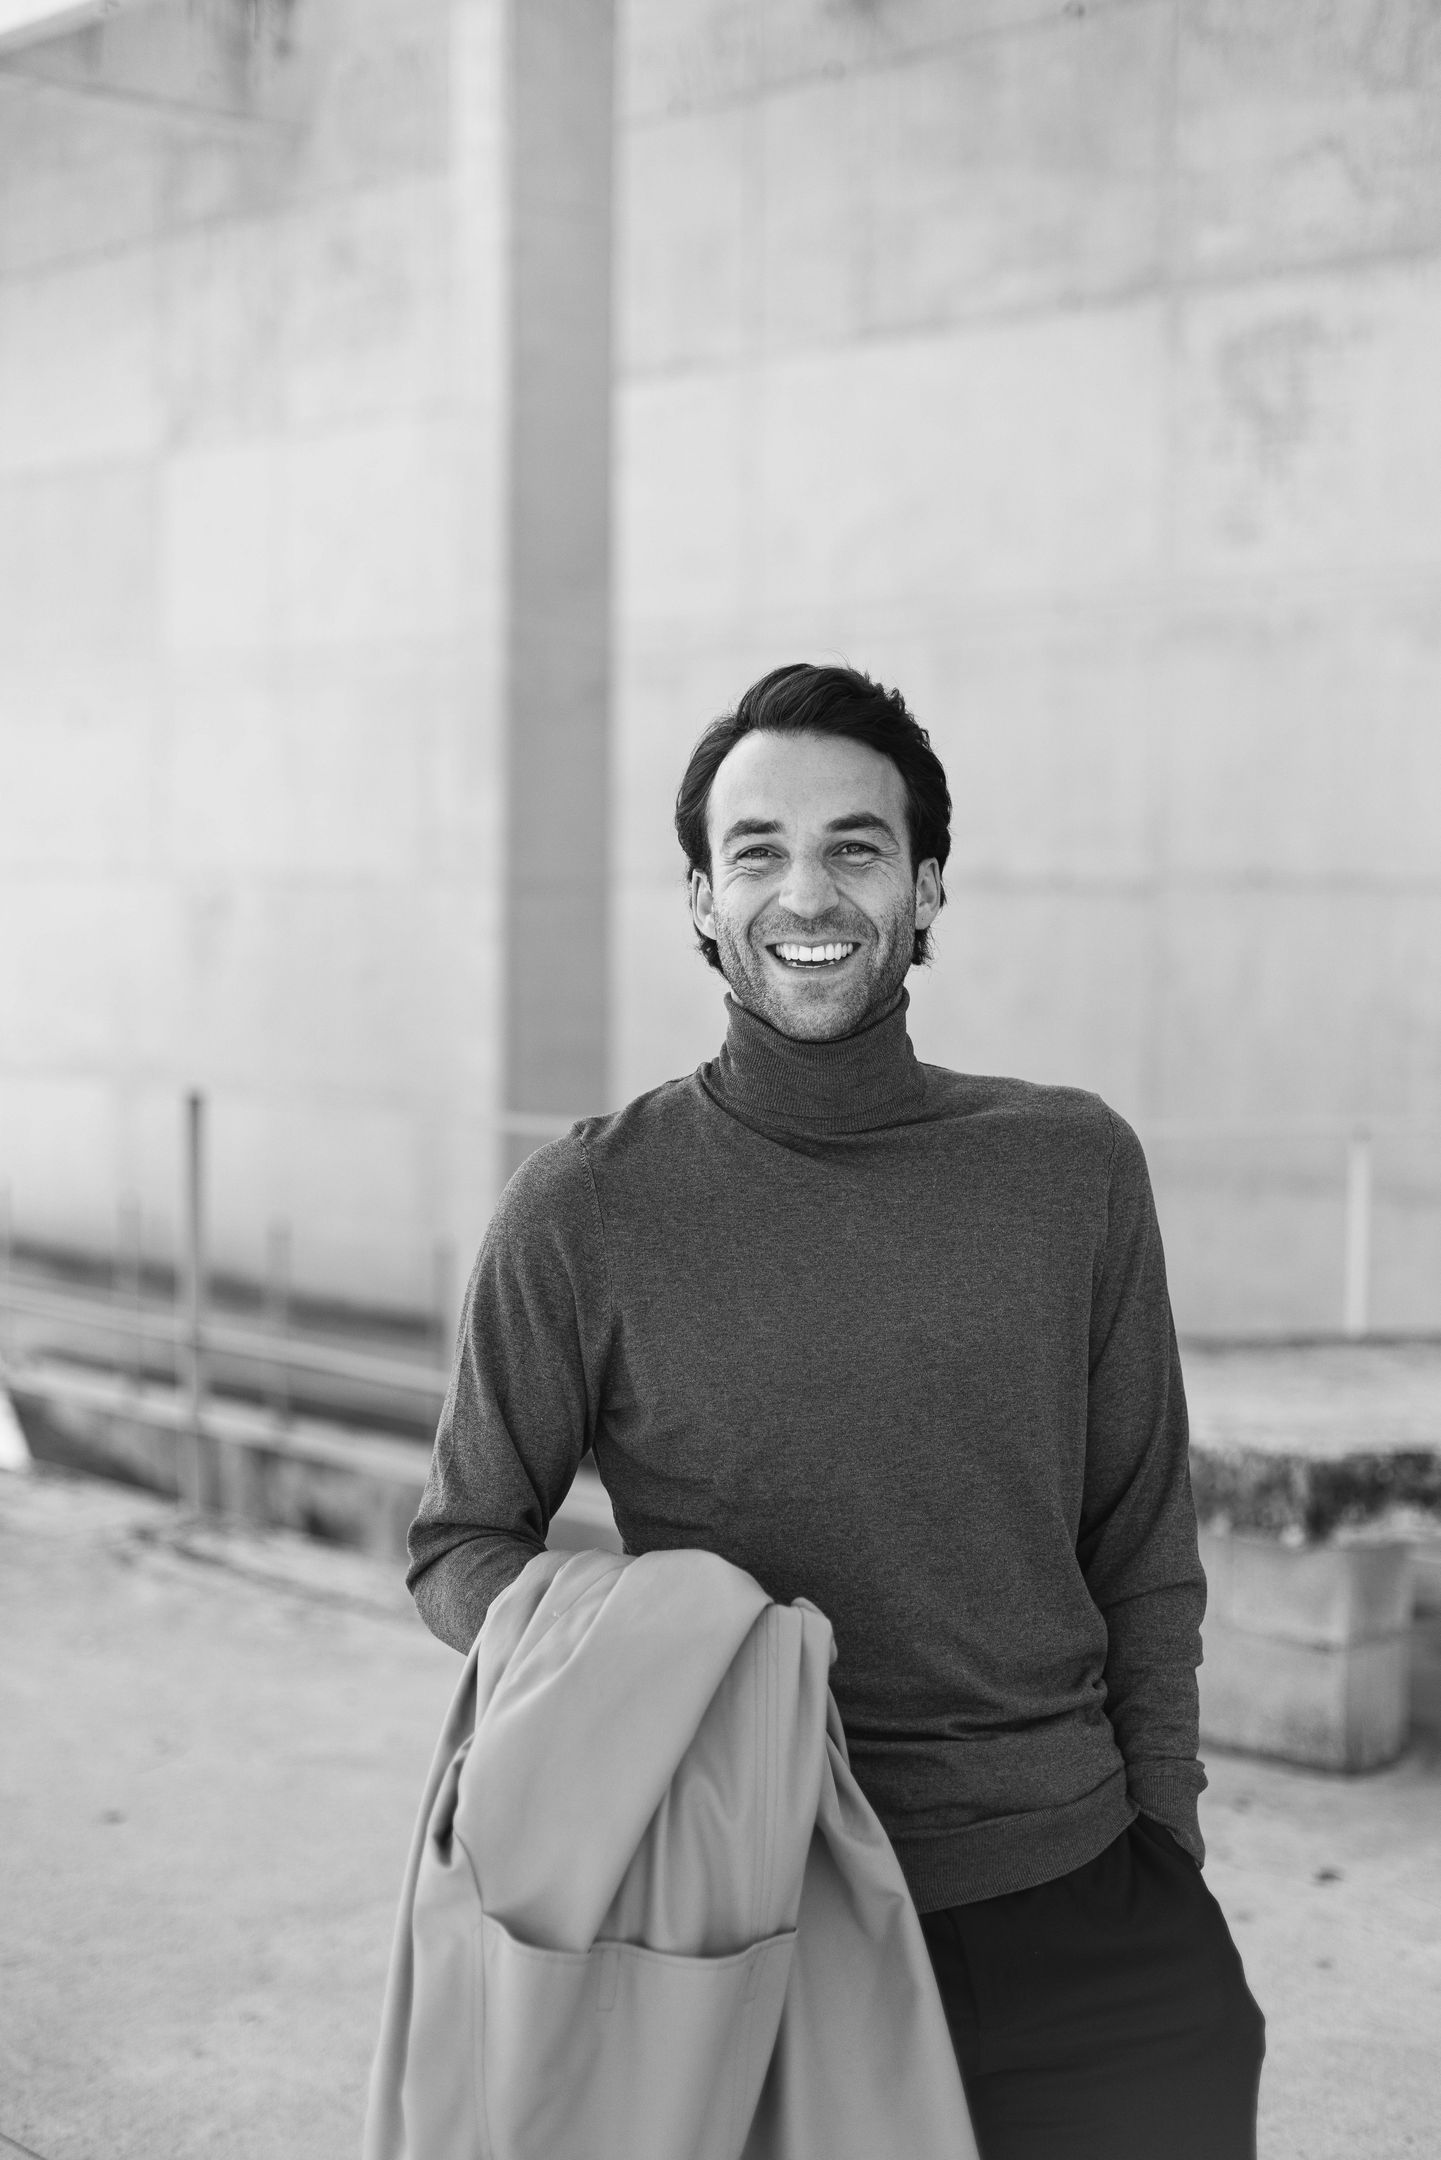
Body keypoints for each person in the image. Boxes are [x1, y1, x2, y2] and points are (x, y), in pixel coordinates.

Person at [407, 661, 1265, 2159]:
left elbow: (1142, 1545)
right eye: (758, 853)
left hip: (1083, 1908)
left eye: (855, 848)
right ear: (702, 899)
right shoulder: (585, 1210)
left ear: (924, 889)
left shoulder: (1070, 1169)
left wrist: (1166, 1841)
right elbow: (459, 1541)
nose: (806, 892)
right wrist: (668, 1652)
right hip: (760, 1919)